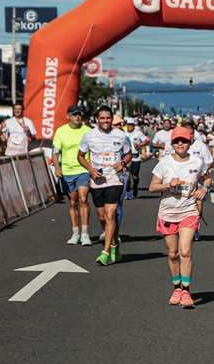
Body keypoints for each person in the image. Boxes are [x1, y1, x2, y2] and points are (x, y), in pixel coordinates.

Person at [149, 126, 211, 309]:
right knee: (173, 253)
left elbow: (207, 178)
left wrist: (204, 189)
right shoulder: (164, 163)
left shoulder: (197, 162)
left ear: (189, 142)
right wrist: (169, 184)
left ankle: (186, 291)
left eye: (184, 140)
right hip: (168, 212)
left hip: (189, 211)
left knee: (185, 251)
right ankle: (176, 287)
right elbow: (152, 187)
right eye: (177, 141)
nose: (180, 144)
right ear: (172, 143)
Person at [77, 106, 132, 265]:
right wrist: (90, 170)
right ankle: (114, 243)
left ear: (112, 119)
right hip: (97, 180)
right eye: (102, 118)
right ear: (97, 119)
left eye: (108, 118)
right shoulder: (89, 136)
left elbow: (128, 154)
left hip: (114, 179)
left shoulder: (121, 136)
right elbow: (80, 156)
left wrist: (122, 162)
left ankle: (105, 251)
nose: (106, 121)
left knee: (110, 214)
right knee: (102, 217)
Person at [53, 105, 92, 246]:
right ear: (68, 116)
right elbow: (55, 152)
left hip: (83, 170)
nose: (78, 117)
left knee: (83, 199)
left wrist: (93, 168)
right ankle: (75, 233)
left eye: (79, 114)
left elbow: (93, 150)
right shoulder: (61, 131)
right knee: (73, 202)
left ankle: (85, 234)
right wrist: (57, 168)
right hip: (68, 171)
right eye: (75, 114)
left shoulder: (88, 131)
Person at [125, 117, 150, 199]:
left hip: (135, 157)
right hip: (126, 157)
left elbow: (147, 140)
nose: (130, 127)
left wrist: (140, 145)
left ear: (133, 125)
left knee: (135, 176)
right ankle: (128, 192)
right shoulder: (124, 132)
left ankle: (135, 187)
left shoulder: (138, 133)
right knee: (127, 176)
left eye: (131, 125)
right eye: (128, 125)